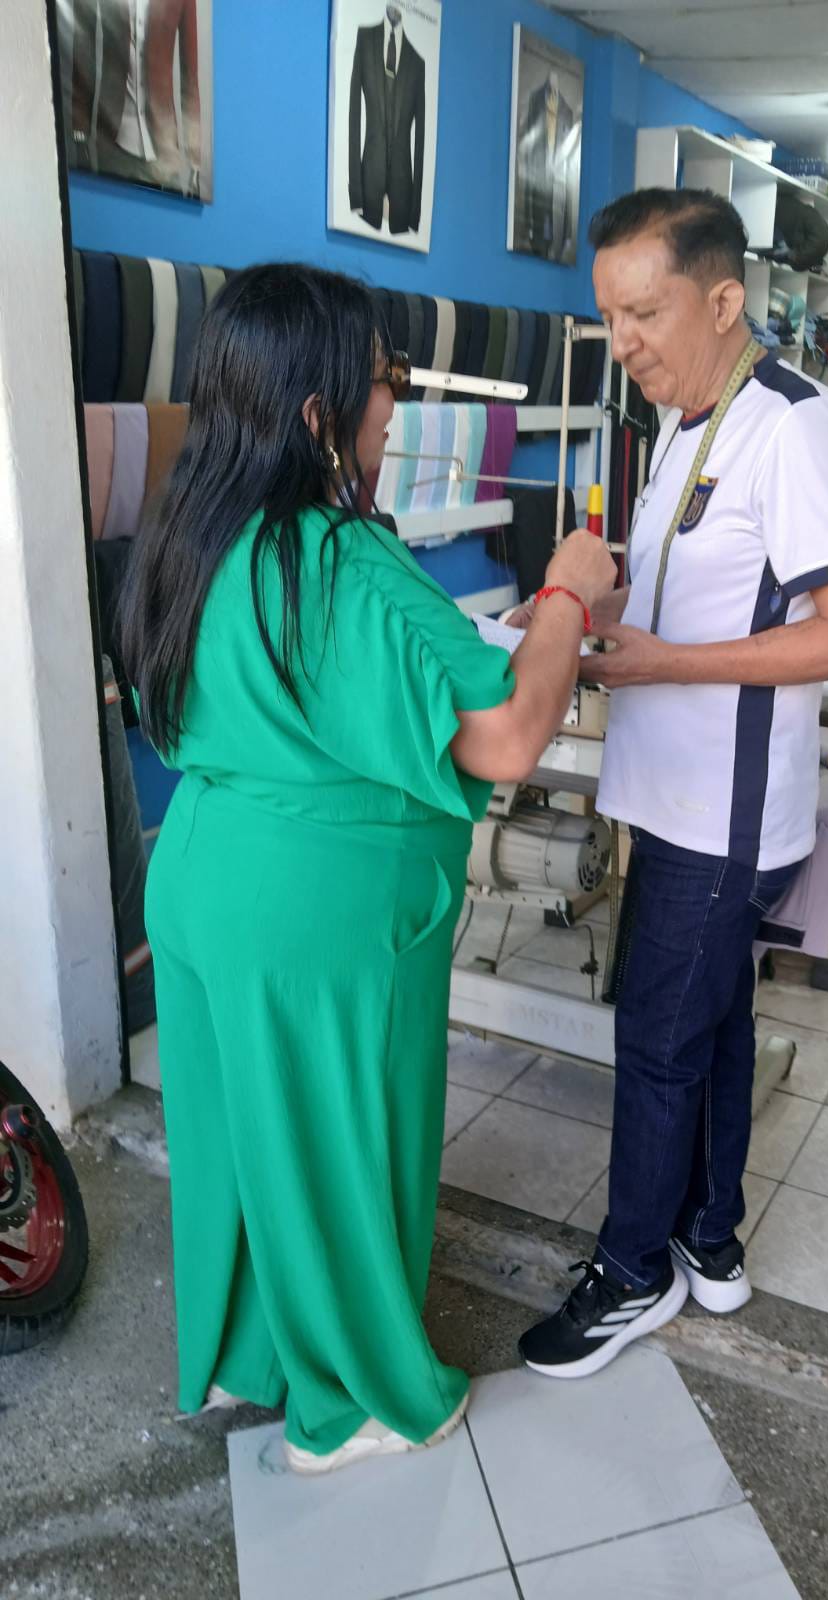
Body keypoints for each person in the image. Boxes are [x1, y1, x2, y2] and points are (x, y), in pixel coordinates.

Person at [120, 262, 615, 1471]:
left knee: (253, 1133)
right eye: (381, 381)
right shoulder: (333, 560)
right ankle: (357, 1404)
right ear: (316, 410)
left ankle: (256, 1351)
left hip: (204, 877)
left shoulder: (191, 536)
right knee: (340, 1146)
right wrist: (568, 592)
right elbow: (507, 735)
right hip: (318, 916)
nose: (394, 404)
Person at [518, 188, 828, 1378]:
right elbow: (705, 591)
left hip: (723, 814)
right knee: (717, 1024)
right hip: (673, 794)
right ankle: (709, 1239)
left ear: (725, 299)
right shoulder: (686, 419)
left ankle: (631, 1272)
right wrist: (584, 613)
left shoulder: (790, 423)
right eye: (609, 316)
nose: (622, 341)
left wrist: (666, 663)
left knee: (656, 1039)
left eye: (645, 312)